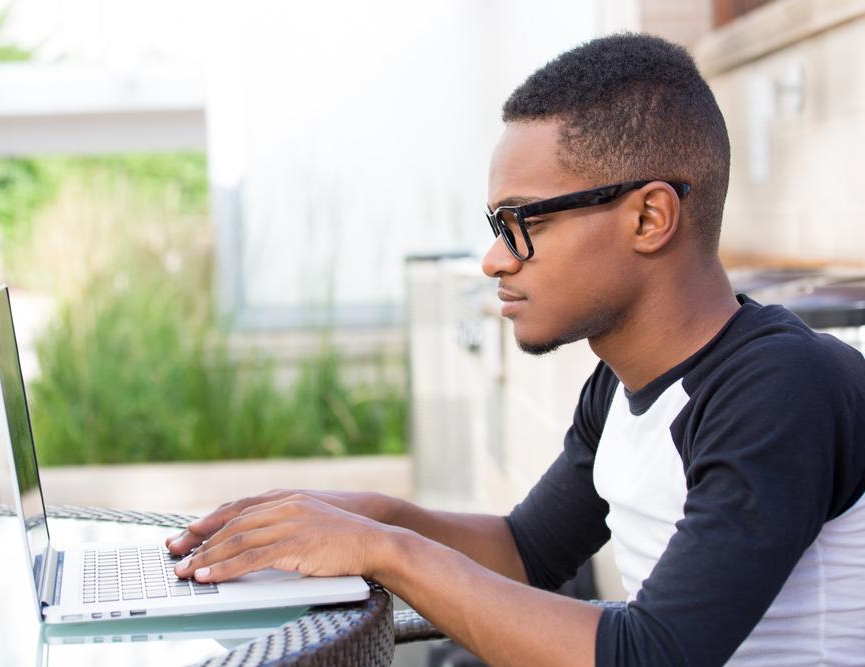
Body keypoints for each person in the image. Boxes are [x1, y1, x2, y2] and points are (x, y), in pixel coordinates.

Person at [167, 33, 865, 665]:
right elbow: (526, 551)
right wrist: (369, 513)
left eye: (522, 221)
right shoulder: (620, 384)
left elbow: (650, 655)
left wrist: (384, 547)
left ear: (649, 217)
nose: (495, 259)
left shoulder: (782, 388)